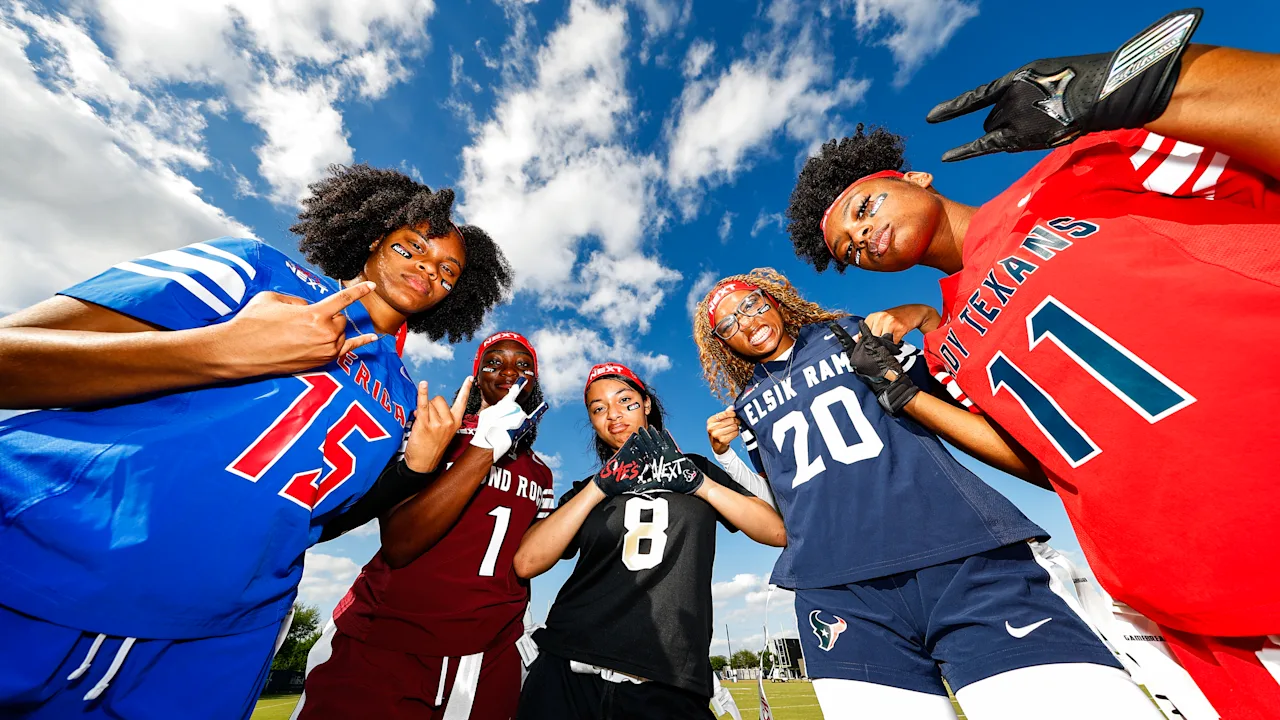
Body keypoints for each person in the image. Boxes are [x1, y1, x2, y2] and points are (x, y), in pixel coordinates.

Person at [783, 9, 1280, 717]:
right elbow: (1041, 460)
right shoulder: (946, 344)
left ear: (915, 176)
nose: (863, 237)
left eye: (863, 208)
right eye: (850, 250)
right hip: (1198, 611)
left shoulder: (1072, 172)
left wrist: (1142, 87)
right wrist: (906, 393)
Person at [0, 164, 523, 719]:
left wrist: (414, 469)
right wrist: (220, 350)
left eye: (447, 270)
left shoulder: (402, 396)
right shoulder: (261, 273)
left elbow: (311, 519)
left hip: (218, 636)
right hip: (42, 562)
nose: (427, 269)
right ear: (374, 237)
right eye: (411, 246)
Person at [693, 269, 1161, 720]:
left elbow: (959, 391)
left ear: (774, 300)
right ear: (722, 344)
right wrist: (726, 456)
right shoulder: (746, 406)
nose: (747, 323)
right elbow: (787, 507)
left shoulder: (848, 333)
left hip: (953, 552)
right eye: (729, 324)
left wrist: (925, 316)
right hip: (839, 589)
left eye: (751, 305)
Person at [293, 331, 552, 720]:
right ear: (476, 375)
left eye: (523, 366)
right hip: (391, 635)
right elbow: (399, 544)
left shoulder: (540, 472)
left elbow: (529, 559)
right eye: (494, 362)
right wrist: (483, 448)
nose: (509, 372)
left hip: (488, 649)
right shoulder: (438, 429)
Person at [512, 362, 786, 720]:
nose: (613, 414)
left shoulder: (696, 469)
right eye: (598, 408)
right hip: (568, 668)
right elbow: (526, 562)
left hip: (667, 679)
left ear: (646, 404)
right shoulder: (588, 489)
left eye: (624, 400)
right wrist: (598, 487)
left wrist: (700, 485)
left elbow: (776, 531)